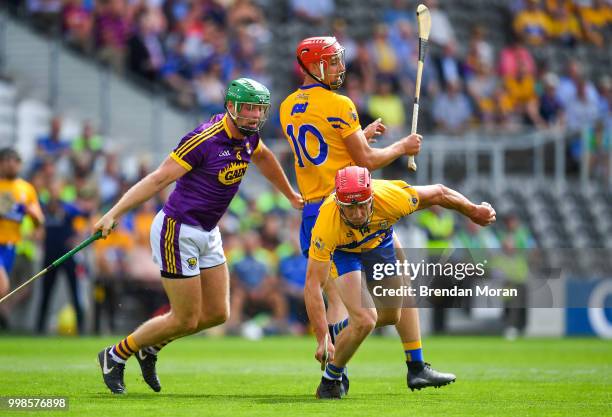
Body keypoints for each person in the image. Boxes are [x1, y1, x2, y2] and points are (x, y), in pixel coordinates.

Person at [95, 78, 303, 395]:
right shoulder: (204, 139)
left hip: (208, 231)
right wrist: (114, 213)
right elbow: (157, 179)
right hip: (178, 230)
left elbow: (264, 158)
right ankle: (115, 355)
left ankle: (150, 347)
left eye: (259, 110)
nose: (254, 116)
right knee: (186, 318)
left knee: (218, 313)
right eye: (248, 108)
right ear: (230, 106)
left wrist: (289, 194)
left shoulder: (249, 137)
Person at [279, 36, 451, 396]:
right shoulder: (340, 104)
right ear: (312, 66)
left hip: (321, 207)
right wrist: (402, 146)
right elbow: (366, 161)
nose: (340, 68)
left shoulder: (287, 106)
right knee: (351, 304)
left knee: (381, 286)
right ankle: (340, 368)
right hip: (345, 207)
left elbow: (327, 145)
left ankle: (414, 364)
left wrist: (361, 135)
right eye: (332, 62)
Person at [305, 166, 496, 398]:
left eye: (361, 206)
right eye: (349, 208)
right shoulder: (327, 221)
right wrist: (321, 337)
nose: (356, 214)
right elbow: (313, 285)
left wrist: (473, 210)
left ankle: (415, 368)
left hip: (379, 241)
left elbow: (440, 193)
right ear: (339, 205)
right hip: (344, 251)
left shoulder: (393, 197)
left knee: (391, 315)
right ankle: (330, 382)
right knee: (365, 320)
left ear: (372, 198)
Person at [0, 148, 45, 328]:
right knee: (2, 285)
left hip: (11, 247)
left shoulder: (26, 189)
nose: (12, 163)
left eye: (16, 160)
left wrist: (32, 215)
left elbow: (39, 221)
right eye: (7, 160)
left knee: (4, 290)